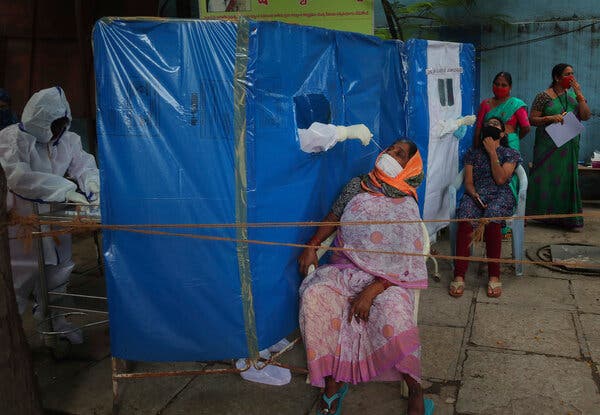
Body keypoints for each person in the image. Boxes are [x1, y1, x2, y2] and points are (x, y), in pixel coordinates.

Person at [298, 140, 432, 415]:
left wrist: (372, 291)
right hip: (345, 269)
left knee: (394, 313)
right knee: (316, 295)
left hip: (387, 281)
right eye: (391, 149)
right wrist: (312, 245)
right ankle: (333, 383)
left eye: (400, 154)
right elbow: (333, 217)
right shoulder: (357, 185)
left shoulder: (406, 203)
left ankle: (416, 388)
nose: (390, 154)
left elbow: (407, 260)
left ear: (409, 168)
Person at [0, 86, 100, 344]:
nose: (49, 135)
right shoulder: (11, 139)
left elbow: (85, 166)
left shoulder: (69, 140)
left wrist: (92, 187)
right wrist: (66, 190)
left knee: (59, 270)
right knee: (18, 277)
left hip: (55, 220)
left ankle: (56, 324)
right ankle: (9, 337)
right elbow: (19, 177)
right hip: (21, 222)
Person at [449, 117, 521, 299]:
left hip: (501, 195)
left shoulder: (510, 153)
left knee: (491, 220)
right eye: (488, 125)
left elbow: (501, 180)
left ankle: (494, 275)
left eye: (496, 125)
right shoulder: (472, 154)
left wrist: (493, 153)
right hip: (476, 195)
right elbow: (469, 182)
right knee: (465, 217)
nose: (492, 127)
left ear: (503, 133)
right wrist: (474, 195)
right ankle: (459, 274)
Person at [527, 63, 591, 230]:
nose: (572, 77)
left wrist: (579, 94)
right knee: (544, 179)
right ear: (557, 77)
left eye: (573, 74)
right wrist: (550, 118)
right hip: (548, 147)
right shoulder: (543, 96)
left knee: (565, 181)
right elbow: (531, 120)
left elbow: (585, 116)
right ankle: (538, 215)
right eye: (567, 74)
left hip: (568, 148)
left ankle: (565, 219)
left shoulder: (572, 98)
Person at [473, 72, 530, 233]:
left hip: (509, 143)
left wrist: (511, 138)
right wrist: (476, 149)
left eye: (504, 85)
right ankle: (487, 217)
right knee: (487, 177)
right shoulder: (485, 104)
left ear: (510, 87)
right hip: (487, 143)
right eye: (496, 83)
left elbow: (525, 127)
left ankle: (505, 223)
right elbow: (478, 129)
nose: (499, 87)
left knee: (508, 180)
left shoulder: (516, 104)